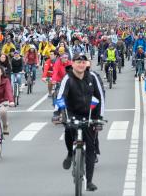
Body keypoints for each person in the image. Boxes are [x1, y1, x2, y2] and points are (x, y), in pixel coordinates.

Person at [57, 53, 105, 192]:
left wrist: (99, 118)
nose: (81, 64)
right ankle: (70, 154)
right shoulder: (68, 78)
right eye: (78, 62)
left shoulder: (93, 77)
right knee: (68, 130)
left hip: (90, 114)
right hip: (72, 112)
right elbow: (60, 97)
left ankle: (89, 181)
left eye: (84, 62)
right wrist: (57, 114)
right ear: (73, 64)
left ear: (87, 64)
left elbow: (100, 97)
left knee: (91, 148)